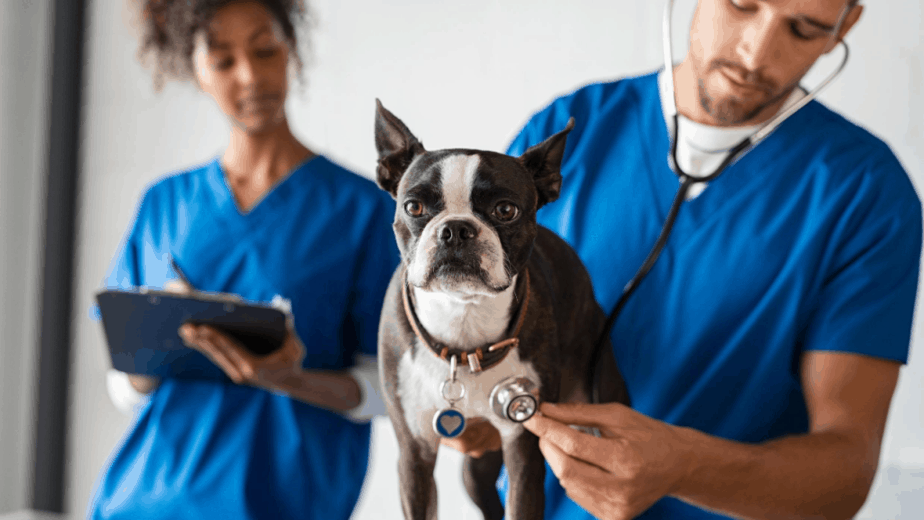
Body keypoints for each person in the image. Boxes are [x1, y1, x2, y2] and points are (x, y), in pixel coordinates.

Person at [445, 1, 923, 519]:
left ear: (843, 28)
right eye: (742, 4)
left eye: (803, 29)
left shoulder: (865, 193)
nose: (756, 52)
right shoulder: (566, 133)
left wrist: (685, 468)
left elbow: (846, 472)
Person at [87, 1, 399, 518]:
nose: (251, 76)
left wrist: (287, 379)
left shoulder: (362, 211)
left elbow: (393, 391)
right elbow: (126, 387)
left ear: (290, 48)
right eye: (224, 61)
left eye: (264, 49)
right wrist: (165, 334)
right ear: (195, 69)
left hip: (284, 502)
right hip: (144, 498)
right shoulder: (165, 203)